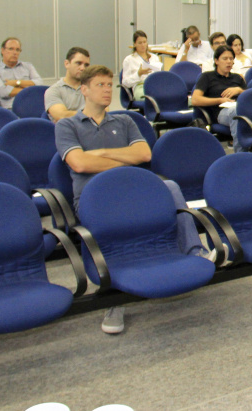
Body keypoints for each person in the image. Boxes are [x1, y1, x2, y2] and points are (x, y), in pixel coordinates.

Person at [55, 65, 212, 334]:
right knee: (127, 219)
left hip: (133, 192)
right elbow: (79, 164)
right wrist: (120, 159)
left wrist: (102, 152)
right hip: (96, 200)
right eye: (100, 85)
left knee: (170, 186)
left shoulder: (125, 121)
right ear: (84, 90)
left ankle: (194, 250)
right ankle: (115, 299)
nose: (107, 91)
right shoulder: (67, 126)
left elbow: (143, 155)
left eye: (109, 85)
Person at [191, 45, 246, 149]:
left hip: (242, 107)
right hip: (221, 112)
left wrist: (239, 90)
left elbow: (250, 96)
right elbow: (195, 100)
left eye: (231, 59)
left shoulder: (237, 77)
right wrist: (220, 100)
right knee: (235, 111)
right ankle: (240, 151)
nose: (229, 62)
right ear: (216, 61)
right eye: (225, 59)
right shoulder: (207, 77)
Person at [0, 37, 42, 109]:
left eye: (17, 50)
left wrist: (16, 83)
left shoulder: (28, 67)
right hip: (9, 109)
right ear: (2, 50)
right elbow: (3, 92)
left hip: (30, 107)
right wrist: (30, 89)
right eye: (11, 49)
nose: (14, 53)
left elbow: (39, 83)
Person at [45, 47, 90, 123]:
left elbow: (103, 112)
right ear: (67, 64)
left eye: (86, 65)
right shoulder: (54, 91)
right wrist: (91, 114)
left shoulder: (91, 88)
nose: (83, 68)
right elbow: (62, 116)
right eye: (78, 63)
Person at [121, 30, 162, 100]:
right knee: (151, 98)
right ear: (134, 44)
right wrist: (138, 74)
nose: (143, 45)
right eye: (140, 43)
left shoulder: (154, 57)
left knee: (168, 95)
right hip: (140, 86)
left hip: (155, 85)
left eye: (144, 42)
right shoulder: (129, 60)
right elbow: (125, 83)